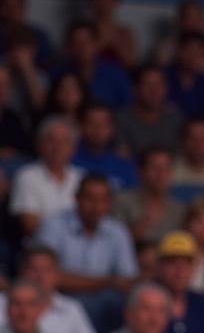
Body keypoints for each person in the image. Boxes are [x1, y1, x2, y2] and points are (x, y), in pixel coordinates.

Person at [35, 175, 137, 317]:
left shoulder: (117, 231)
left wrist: (103, 283)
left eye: (103, 200)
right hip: (61, 297)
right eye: (90, 199)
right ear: (76, 198)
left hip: (105, 300)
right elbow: (47, 276)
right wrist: (107, 281)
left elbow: (127, 280)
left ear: (109, 203)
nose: (96, 206)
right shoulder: (53, 225)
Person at [8, 118, 83, 238]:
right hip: (41, 249)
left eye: (64, 141)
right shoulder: (26, 176)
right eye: (51, 140)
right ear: (40, 145)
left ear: (73, 148)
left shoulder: (82, 178)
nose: (57, 147)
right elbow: (30, 225)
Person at [112, 146, 183, 244]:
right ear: (141, 171)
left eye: (166, 168)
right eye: (154, 167)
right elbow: (112, 242)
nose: (161, 174)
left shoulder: (179, 209)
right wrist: (140, 228)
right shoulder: (122, 202)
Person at [114, 65, 183, 157]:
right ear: (135, 89)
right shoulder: (121, 119)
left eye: (158, 85)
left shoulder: (176, 118)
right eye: (147, 85)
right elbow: (122, 156)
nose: (154, 90)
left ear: (166, 89)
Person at [72, 105, 137, 191]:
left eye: (104, 124)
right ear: (81, 126)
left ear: (112, 128)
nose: (98, 129)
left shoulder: (125, 164)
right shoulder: (68, 158)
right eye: (92, 123)